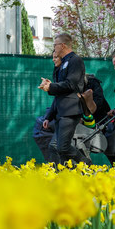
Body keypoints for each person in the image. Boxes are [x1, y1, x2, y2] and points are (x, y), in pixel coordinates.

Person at [38, 33, 89, 166]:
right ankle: (64, 177)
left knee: (63, 147)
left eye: (55, 45)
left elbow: (71, 84)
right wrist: (49, 116)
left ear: (63, 45)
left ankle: (87, 164)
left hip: (70, 111)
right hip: (61, 112)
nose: (54, 48)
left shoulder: (75, 60)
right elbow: (59, 92)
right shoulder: (64, 62)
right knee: (59, 149)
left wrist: (51, 86)